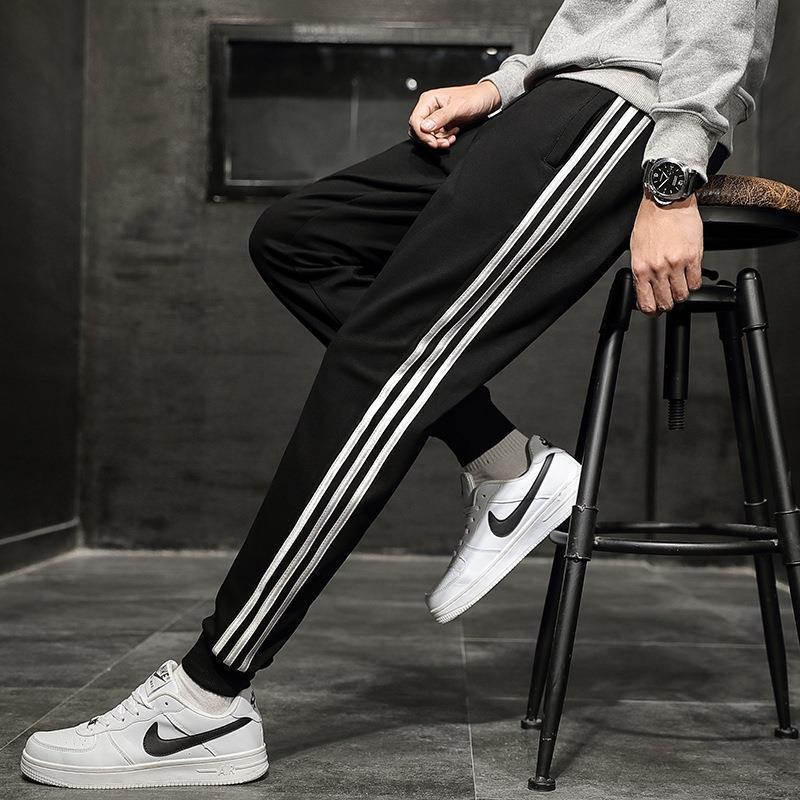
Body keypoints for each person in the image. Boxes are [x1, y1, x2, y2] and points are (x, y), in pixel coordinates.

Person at [21, 0, 777, 789]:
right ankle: (502, 460)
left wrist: (671, 179)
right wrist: (499, 87)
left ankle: (207, 697)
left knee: (387, 362)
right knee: (298, 238)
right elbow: (605, 21)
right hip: (548, 105)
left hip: (617, 117)